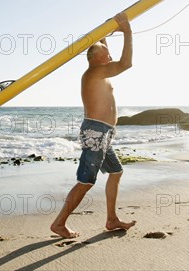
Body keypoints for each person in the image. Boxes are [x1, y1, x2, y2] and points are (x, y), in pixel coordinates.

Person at [51, 12, 136, 238]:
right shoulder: (95, 71)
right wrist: (127, 31)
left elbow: (102, 45)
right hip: (95, 132)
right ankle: (59, 223)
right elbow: (126, 63)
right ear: (97, 58)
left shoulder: (100, 71)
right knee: (86, 181)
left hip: (104, 134)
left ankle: (111, 219)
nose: (110, 55)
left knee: (116, 172)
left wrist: (107, 30)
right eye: (106, 53)